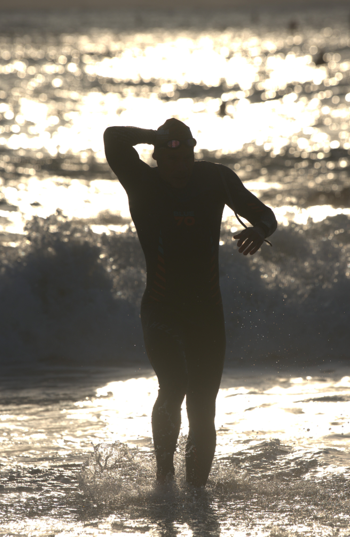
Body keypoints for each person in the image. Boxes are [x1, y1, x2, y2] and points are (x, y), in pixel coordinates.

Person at [103, 118, 277, 487]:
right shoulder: (142, 182)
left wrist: (259, 231)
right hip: (161, 308)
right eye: (171, 160)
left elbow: (265, 214)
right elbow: (113, 138)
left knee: (202, 407)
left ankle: (196, 493)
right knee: (174, 383)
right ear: (157, 159)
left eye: (186, 158)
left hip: (206, 312)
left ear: (194, 154)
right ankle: (164, 480)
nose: (180, 168)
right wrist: (158, 137)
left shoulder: (214, 179)